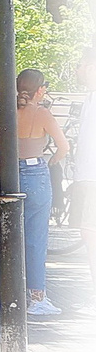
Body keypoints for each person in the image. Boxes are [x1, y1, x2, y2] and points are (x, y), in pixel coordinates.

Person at [0, 68, 72, 315]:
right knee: (35, 238)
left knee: (8, 236)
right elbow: (63, 146)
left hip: (11, 173)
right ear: (39, 89)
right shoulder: (42, 113)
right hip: (36, 172)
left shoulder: (7, 110)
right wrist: (51, 161)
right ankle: (37, 296)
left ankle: (1, 294)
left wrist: (0, 160)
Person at [72, 48, 96, 282]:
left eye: (81, 65)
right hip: (86, 177)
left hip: (92, 177)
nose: (77, 70)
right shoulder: (88, 98)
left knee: (89, 231)